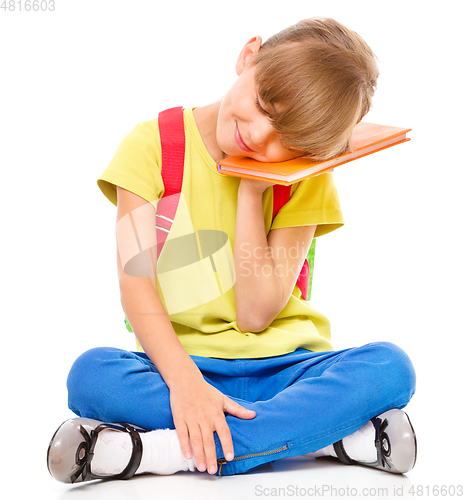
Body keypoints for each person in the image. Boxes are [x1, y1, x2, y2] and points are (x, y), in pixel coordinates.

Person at [47, 17, 416, 483]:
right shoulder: (152, 147)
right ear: (248, 55)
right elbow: (134, 289)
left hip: (289, 372)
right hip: (178, 367)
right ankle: (328, 439)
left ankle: (160, 451)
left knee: (390, 367)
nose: (260, 137)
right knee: (92, 373)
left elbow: (255, 314)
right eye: (263, 105)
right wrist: (186, 386)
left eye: (287, 139)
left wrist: (251, 191)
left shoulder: (305, 175)